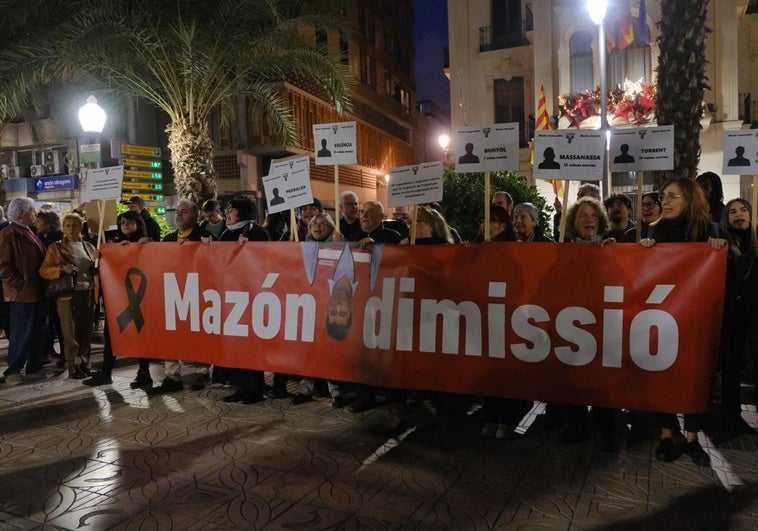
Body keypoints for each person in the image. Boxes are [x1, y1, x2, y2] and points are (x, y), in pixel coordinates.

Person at [640, 176, 728, 466]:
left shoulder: (709, 231)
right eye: (663, 196)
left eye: (672, 196)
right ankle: (667, 434)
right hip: (662, 320)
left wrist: (719, 252)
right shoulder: (654, 233)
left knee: (695, 375)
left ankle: (692, 438)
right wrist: (644, 252)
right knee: (663, 375)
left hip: (696, 323)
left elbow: (731, 274)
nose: (664, 201)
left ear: (690, 199)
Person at [146, 199, 214, 394]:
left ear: (195, 215)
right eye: (177, 211)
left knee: (199, 333)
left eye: (184, 211)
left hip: (196, 293)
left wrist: (205, 248)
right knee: (171, 334)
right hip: (172, 293)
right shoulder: (168, 238)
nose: (179, 215)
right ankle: (172, 376)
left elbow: (214, 262)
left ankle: (202, 371)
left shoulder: (205, 236)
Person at [216, 196, 270, 404]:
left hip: (251, 297)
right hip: (230, 297)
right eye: (227, 209)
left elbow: (266, 260)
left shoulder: (256, 232)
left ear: (243, 212)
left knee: (250, 346)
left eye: (231, 209)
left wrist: (249, 251)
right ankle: (240, 386)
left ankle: (255, 389)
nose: (227, 213)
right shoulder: (226, 233)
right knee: (234, 345)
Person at [290, 212, 346, 408]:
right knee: (308, 351)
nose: (318, 227)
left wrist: (343, 245)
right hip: (307, 305)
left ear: (331, 228)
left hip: (330, 306)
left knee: (329, 351)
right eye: (315, 223)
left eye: (323, 224)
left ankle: (336, 392)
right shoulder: (303, 247)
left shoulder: (339, 246)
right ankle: (306, 389)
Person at [713, 198, 758, 442]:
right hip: (733, 314)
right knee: (730, 368)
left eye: (743, 210)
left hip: (755, 316)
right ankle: (731, 418)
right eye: (732, 212)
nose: (738, 215)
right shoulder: (723, 245)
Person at [39, 213, 98, 379]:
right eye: (68, 226)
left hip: (87, 292)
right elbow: (43, 270)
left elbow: (94, 270)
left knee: (85, 332)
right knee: (70, 334)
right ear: (63, 228)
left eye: (75, 225)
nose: (71, 229)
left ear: (81, 227)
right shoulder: (56, 248)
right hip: (67, 295)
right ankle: (73, 366)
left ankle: (85, 363)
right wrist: (61, 269)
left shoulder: (89, 247)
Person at [0, 198, 49, 385]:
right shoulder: (9, 233)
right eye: (32, 211)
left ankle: (34, 366)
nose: (35, 214)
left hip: (36, 291)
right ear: (22, 213)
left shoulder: (27, 231)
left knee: (38, 330)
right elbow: (3, 266)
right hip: (22, 294)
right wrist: (19, 285)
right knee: (21, 332)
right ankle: (13, 370)